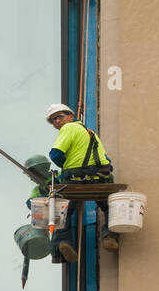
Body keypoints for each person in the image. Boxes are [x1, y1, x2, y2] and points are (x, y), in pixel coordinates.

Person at [44, 103, 119, 263]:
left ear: (71, 116)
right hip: (99, 177)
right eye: (53, 120)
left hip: (75, 178)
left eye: (59, 117)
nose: (57, 121)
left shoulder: (68, 128)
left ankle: (62, 241)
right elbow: (105, 158)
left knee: (63, 209)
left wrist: (68, 165)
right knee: (108, 206)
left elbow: (55, 154)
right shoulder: (90, 133)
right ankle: (110, 235)